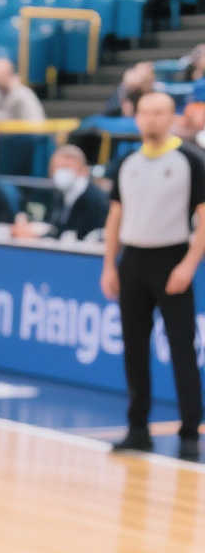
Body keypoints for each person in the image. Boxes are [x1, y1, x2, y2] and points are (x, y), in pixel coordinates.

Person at [102, 90, 205, 461]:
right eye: (145, 112)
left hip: (171, 257)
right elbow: (115, 215)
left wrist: (189, 264)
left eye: (160, 112)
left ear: (171, 116)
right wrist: (109, 264)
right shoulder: (127, 162)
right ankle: (137, 429)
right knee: (134, 347)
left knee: (181, 347)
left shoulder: (190, 159)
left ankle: (190, 431)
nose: (152, 119)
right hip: (133, 259)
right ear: (137, 118)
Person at [14, 145, 108, 242]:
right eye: (57, 168)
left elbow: (80, 233)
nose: (62, 172)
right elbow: (59, 228)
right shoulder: (60, 194)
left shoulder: (95, 200)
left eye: (67, 167)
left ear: (83, 171)